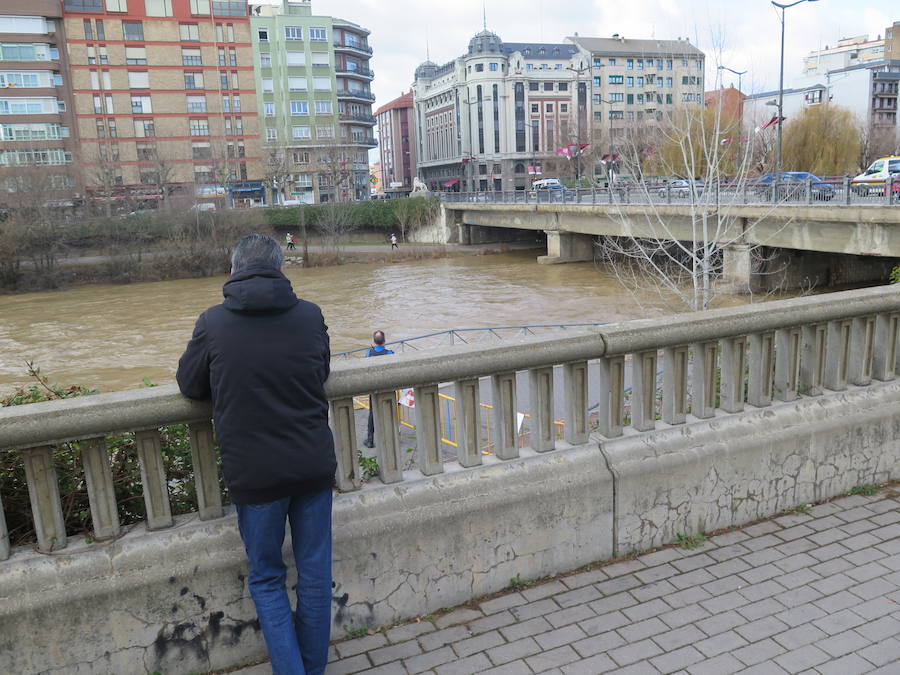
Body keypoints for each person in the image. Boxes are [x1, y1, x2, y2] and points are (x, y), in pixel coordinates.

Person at [176, 234, 335, 675]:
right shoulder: (310, 315)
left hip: (255, 473)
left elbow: (190, 386)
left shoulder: (213, 322)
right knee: (316, 576)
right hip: (311, 464)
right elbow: (320, 371)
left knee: (267, 577)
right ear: (283, 270)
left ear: (233, 271)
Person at [362, 330, 394, 448]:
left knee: (372, 413)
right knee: (388, 411)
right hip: (387, 387)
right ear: (384, 341)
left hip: (374, 387)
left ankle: (370, 440)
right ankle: (390, 438)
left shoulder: (369, 353)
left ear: (374, 341)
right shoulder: (390, 353)